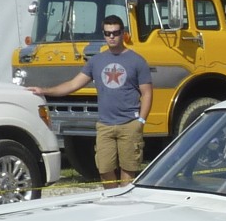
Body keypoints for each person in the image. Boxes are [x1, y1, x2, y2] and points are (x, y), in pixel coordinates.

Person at [27, 15, 152, 187]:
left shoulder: (137, 61)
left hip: (129, 123)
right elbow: (73, 84)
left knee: (128, 170)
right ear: (104, 34)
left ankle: (126, 205)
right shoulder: (96, 61)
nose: (112, 37)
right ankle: (112, 200)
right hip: (105, 125)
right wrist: (44, 90)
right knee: (104, 168)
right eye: (108, 33)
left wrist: (141, 121)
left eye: (115, 32)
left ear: (123, 33)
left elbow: (147, 93)